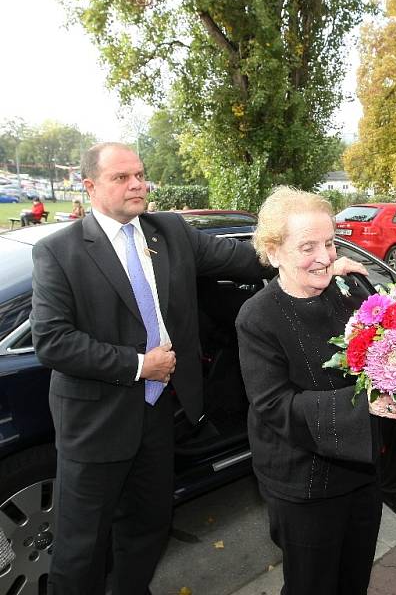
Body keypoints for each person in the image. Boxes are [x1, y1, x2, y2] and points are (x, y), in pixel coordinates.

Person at [29, 143, 364, 595]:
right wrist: (137, 365)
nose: (137, 185)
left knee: (147, 529)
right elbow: (52, 340)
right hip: (95, 423)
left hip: (162, 417)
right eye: (122, 178)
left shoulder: (170, 232)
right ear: (89, 187)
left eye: (140, 175)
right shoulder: (58, 251)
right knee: (79, 550)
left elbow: (250, 259)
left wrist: (318, 260)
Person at [235, 186, 396, 595]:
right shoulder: (258, 316)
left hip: (361, 471)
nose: (325, 256)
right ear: (274, 251)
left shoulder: (345, 291)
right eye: (307, 247)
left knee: (354, 580)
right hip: (304, 483)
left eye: (330, 242)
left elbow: (390, 344)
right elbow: (274, 405)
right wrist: (363, 405)